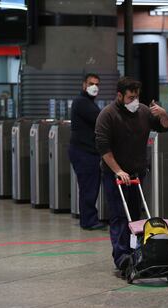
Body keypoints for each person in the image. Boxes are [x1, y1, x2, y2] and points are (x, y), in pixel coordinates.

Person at [95, 77, 168, 274]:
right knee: (120, 216)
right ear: (119, 96)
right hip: (115, 175)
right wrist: (118, 170)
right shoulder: (107, 115)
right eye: (130, 97)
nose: (134, 101)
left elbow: (164, 127)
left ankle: (136, 253)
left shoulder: (144, 111)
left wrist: (164, 114)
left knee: (136, 217)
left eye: (137, 96)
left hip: (137, 173)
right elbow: (103, 148)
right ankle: (121, 257)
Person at [69, 73, 106, 230]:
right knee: (89, 187)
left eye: (97, 84)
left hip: (86, 152)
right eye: (91, 83)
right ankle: (89, 221)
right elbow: (100, 120)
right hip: (84, 152)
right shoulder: (82, 102)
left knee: (89, 186)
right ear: (84, 85)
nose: (94, 87)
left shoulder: (88, 102)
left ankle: (89, 218)